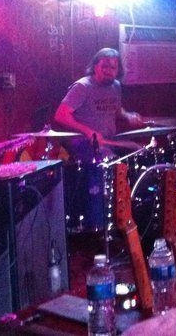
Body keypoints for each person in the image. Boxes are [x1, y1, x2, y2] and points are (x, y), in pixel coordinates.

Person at [53, 47, 145, 232]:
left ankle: (130, 218)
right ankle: (97, 225)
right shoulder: (82, 87)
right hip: (84, 143)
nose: (109, 70)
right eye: (105, 66)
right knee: (104, 161)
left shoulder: (115, 87)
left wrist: (128, 116)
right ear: (95, 66)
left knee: (140, 151)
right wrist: (87, 131)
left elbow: (117, 110)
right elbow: (61, 115)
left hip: (109, 141)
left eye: (113, 67)